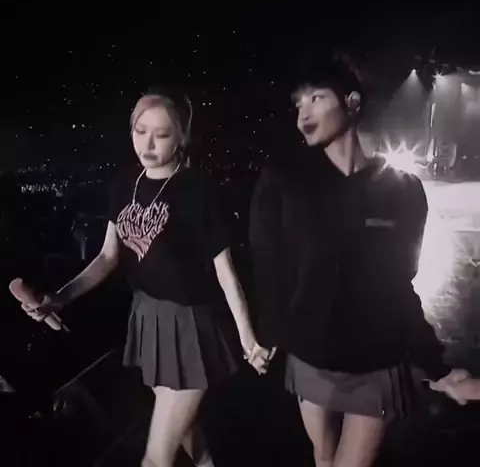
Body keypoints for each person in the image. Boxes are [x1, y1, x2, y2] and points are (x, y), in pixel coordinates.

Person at [20, 87, 273, 467]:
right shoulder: (126, 183)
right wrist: (60, 297)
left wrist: (248, 339)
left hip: (190, 329)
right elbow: (107, 257)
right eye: (141, 131)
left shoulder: (196, 190)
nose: (148, 144)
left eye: (162, 134)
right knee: (188, 435)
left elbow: (226, 273)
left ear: (181, 138)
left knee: (156, 457)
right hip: (148, 320)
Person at [249, 57, 471, 467]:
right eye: (298, 104)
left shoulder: (402, 191)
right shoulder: (284, 181)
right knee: (322, 457)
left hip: (376, 364)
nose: (304, 113)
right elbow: (268, 265)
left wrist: (436, 366)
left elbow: (399, 286)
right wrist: (266, 334)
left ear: (352, 102)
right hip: (309, 356)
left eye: (316, 98)